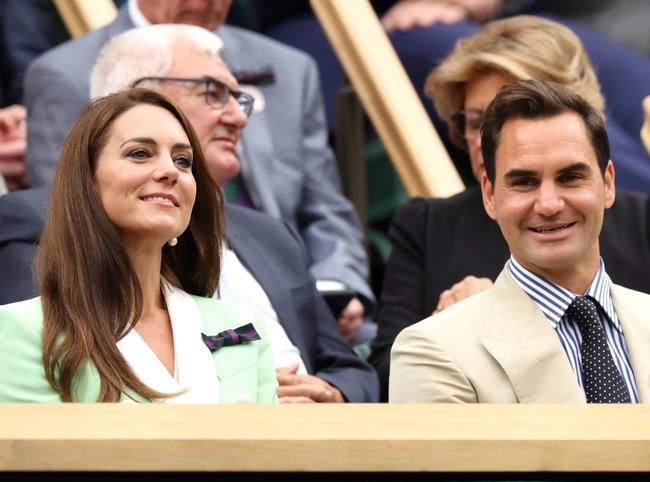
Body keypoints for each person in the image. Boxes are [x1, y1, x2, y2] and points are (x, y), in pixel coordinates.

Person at [24, 24, 379, 404]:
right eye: (214, 93)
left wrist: (331, 394)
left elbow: (350, 367)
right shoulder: (33, 228)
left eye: (183, 161)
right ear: (144, 93)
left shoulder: (273, 236)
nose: (240, 117)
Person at [370, 15, 650, 401]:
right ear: (489, 193)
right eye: (477, 121)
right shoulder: (429, 228)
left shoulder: (641, 228)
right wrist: (461, 329)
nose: (549, 204)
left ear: (608, 182)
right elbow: (396, 370)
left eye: (570, 177)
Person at [0, 88, 278, 403]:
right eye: (140, 153)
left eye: (183, 160)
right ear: (87, 180)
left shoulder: (244, 324)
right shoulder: (20, 332)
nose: (171, 172)